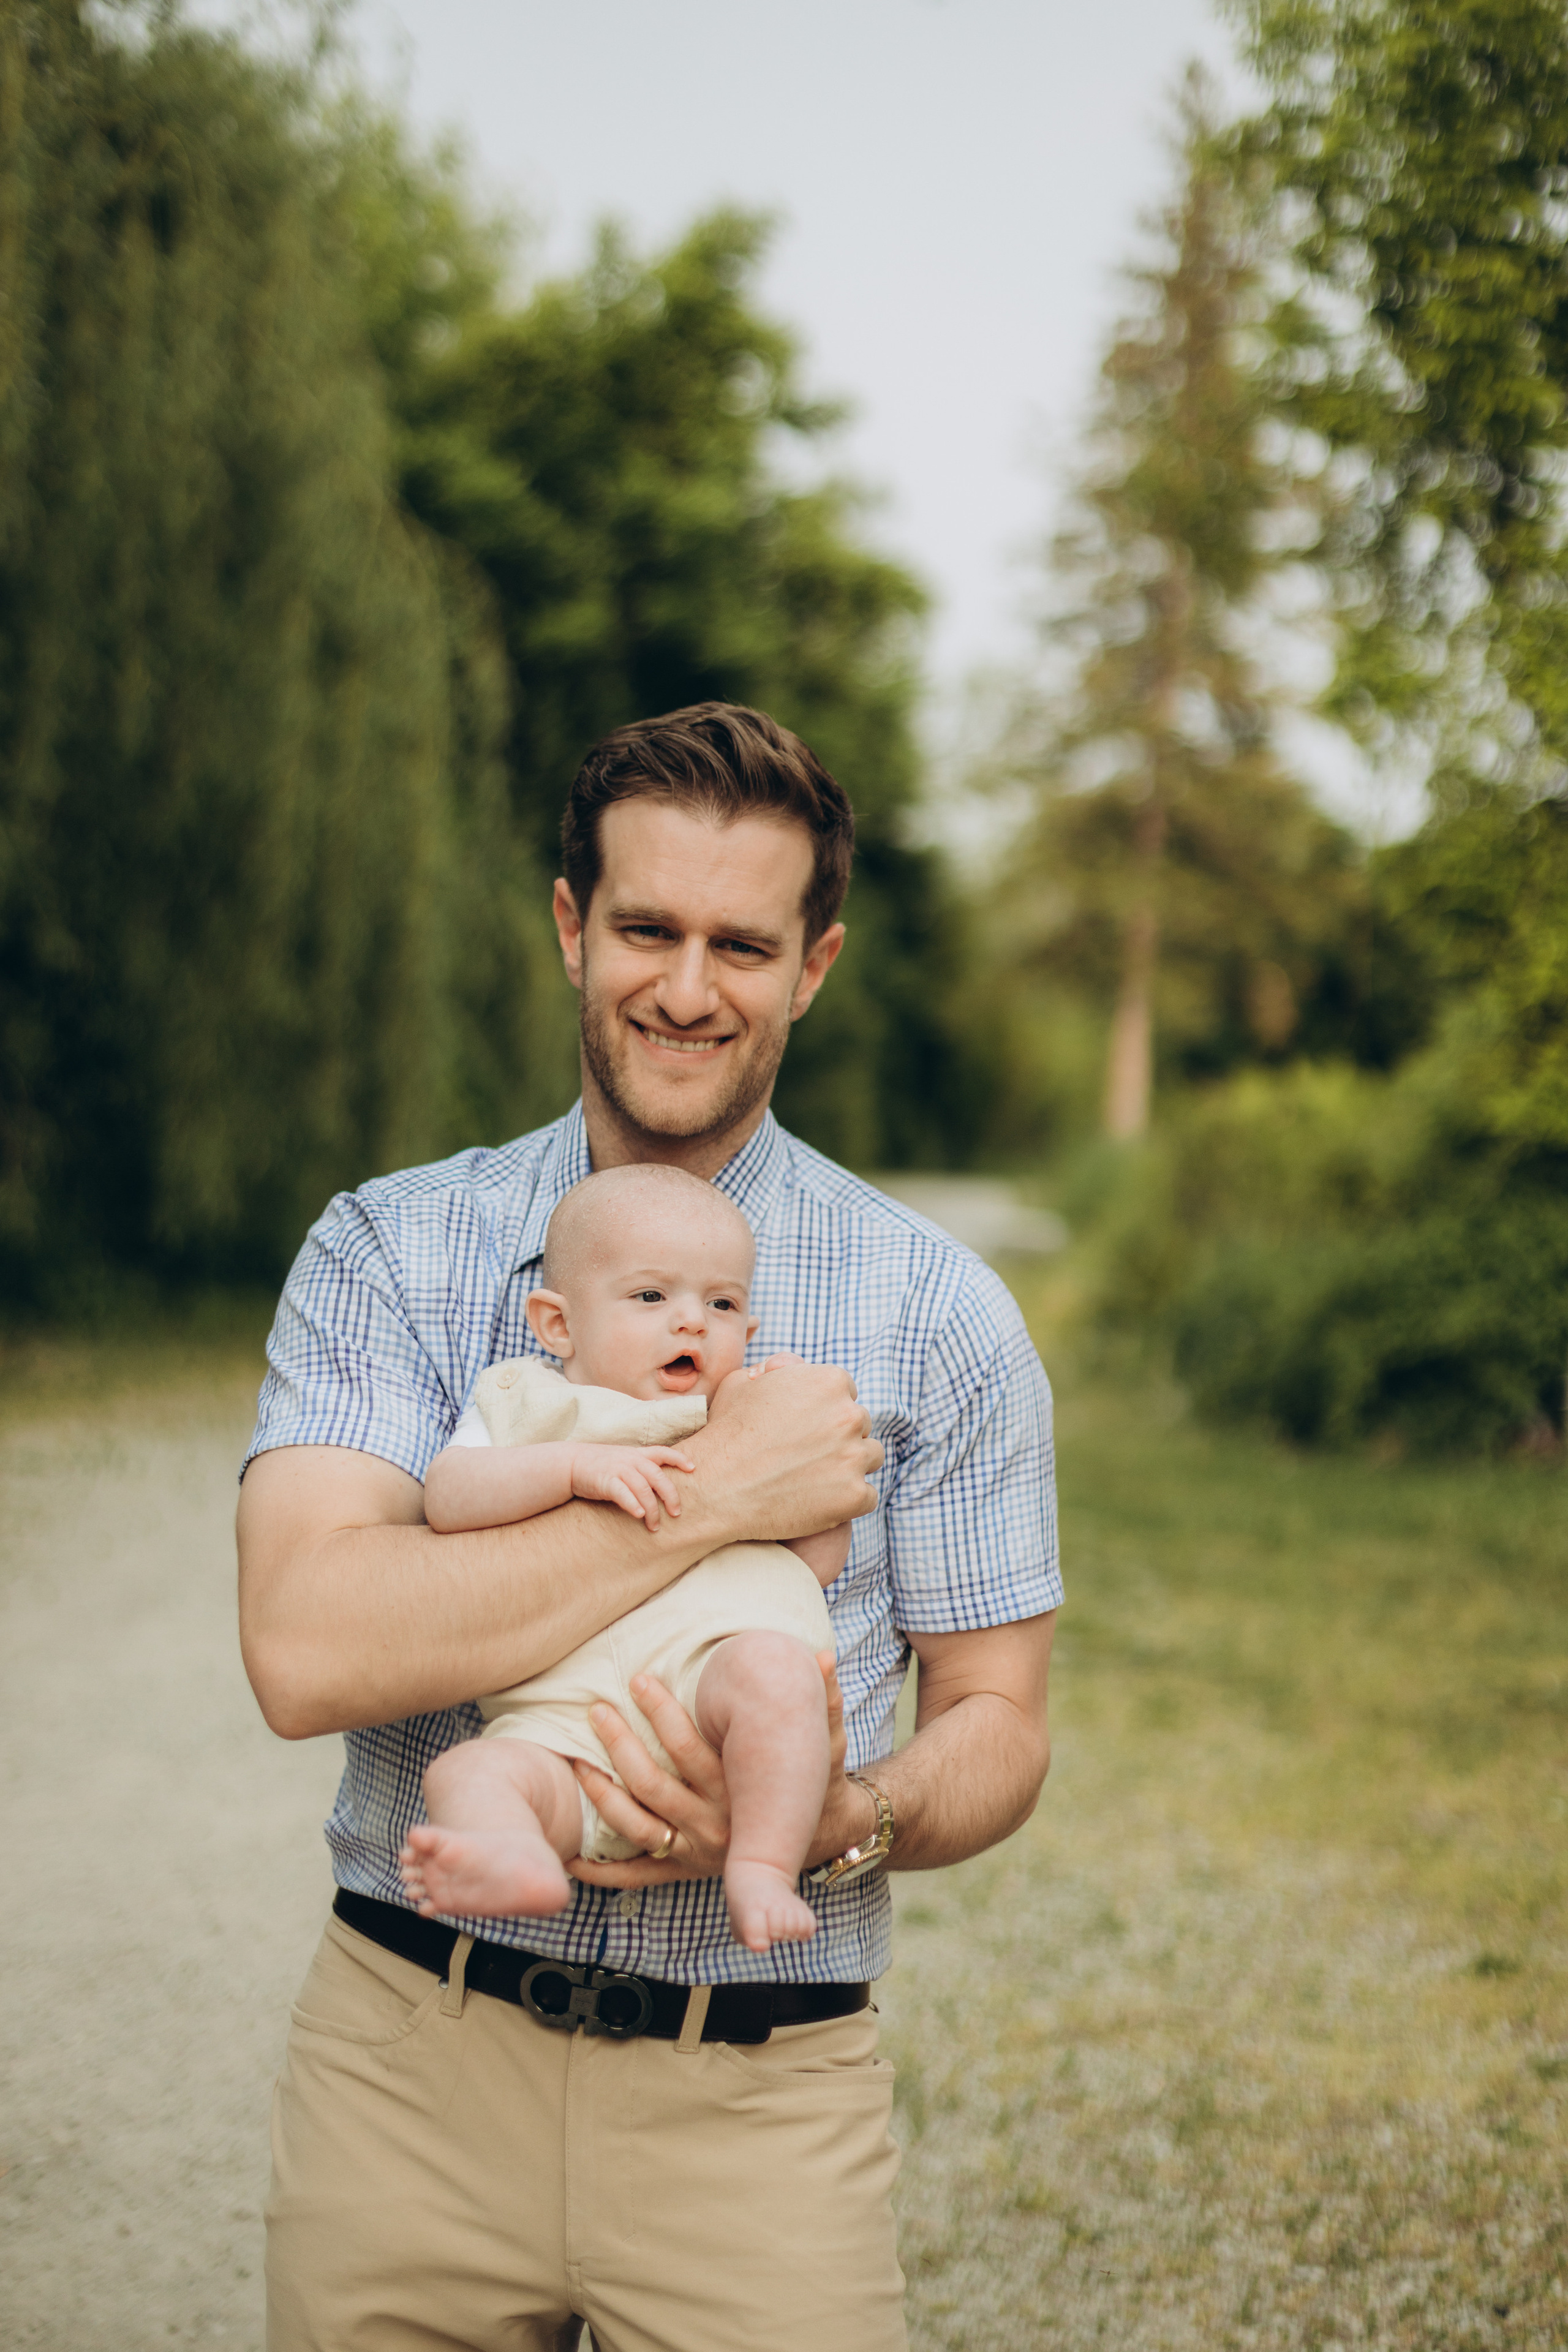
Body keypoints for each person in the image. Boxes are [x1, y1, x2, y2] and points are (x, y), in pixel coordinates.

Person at [238, 701, 1061, 2352]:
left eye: (741, 944)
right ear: (570, 927)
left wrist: (846, 1810)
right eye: (647, 930)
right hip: (414, 2062)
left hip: (757, 2096)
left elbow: (999, 1720)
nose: (687, 990)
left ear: (813, 965)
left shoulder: (938, 1311)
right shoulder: (391, 1252)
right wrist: (728, 1503)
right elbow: (307, 1646)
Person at [399, 1161, 850, 1952]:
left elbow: (814, 1561)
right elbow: (449, 1495)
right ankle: (516, 1857)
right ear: (558, 1326)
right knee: (463, 1776)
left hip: (712, 1689)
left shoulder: (747, 1416)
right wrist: (574, 1468)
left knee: (782, 1681)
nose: (691, 1324)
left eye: (722, 1304)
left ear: (748, 1332)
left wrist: (802, 1447)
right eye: (652, 1297)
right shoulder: (527, 1401)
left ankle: (762, 1868)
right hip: (561, 1730)